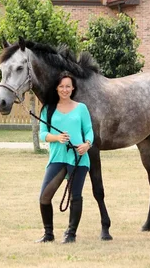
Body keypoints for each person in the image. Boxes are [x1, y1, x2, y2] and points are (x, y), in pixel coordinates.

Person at [36, 71, 94, 244]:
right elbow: (42, 134)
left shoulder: (81, 108)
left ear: (73, 88)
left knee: (75, 195)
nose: (65, 89)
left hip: (78, 158)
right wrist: (57, 138)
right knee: (44, 196)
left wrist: (87, 144)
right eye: (61, 86)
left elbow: (89, 130)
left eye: (68, 86)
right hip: (57, 158)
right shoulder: (48, 109)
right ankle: (48, 234)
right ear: (56, 88)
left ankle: (71, 234)